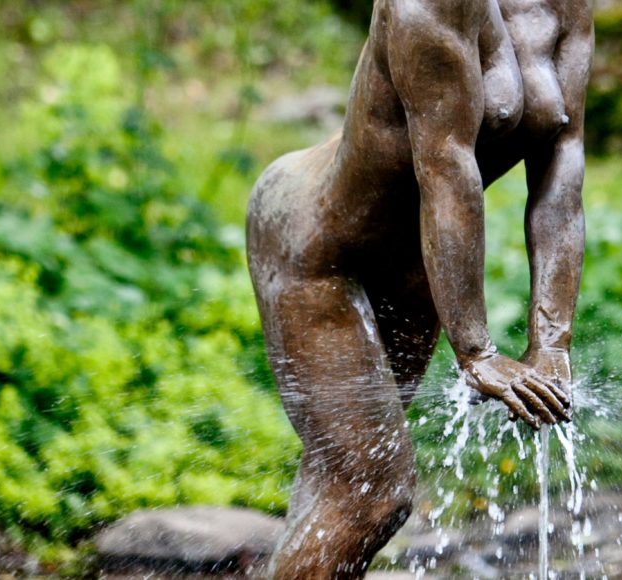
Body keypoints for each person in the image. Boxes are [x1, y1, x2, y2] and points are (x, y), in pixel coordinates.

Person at [246, 0, 592, 576]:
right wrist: (477, 352)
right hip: (318, 252)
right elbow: (447, 169)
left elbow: (564, 164)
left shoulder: (568, 7)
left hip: (421, 260)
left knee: (344, 483)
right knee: (372, 492)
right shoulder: (424, 5)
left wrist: (551, 341)